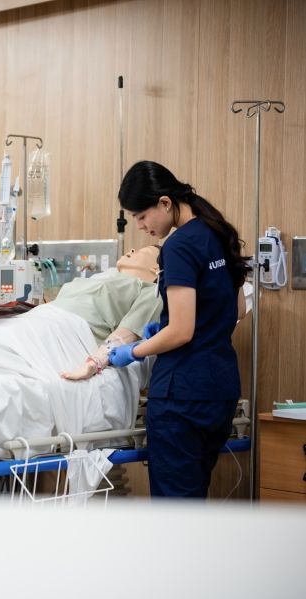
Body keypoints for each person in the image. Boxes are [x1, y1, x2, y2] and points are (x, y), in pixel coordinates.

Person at [107, 160, 249, 498]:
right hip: (220, 392)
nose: (140, 226)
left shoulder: (179, 246)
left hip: (182, 398)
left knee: (175, 515)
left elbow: (181, 332)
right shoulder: (218, 231)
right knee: (191, 504)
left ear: (165, 203)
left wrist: (133, 351)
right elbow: (238, 309)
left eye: (142, 216)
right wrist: (175, 324)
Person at [58, 245, 163, 381]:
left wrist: (96, 362)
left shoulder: (153, 292)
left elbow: (127, 333)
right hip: (39, 316)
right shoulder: (101, 277)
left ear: (156, 269)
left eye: (142, 252)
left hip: (68, 327)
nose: (131, 250)